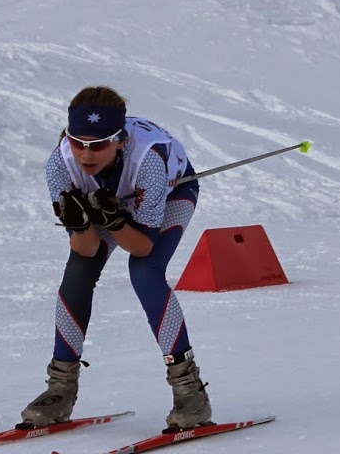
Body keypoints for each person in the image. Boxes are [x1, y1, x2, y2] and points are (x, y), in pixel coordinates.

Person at [21, 85, 212, 432]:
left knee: (145, 272)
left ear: (120, 140)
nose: (86, 154)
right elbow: (87, 249)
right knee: (78, 273)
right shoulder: (60, 167)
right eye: (78, 142)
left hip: (171, 192)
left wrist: (115, 220)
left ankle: (190, 392)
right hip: (109, 202)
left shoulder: (149, 163)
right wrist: (81, 223)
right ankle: (60, 389)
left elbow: (141, 247)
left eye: (98, 145)